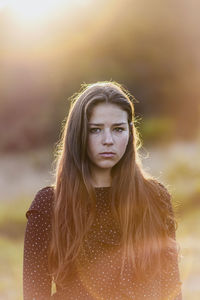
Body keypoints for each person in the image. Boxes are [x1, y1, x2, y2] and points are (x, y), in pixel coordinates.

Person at [23, 81, 182, 300]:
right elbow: (34, 296)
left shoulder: (156, 198)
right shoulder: (48, 204)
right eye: (95, 130)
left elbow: (172, 288)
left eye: (118, 129)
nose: (108, 140)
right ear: (78, 135)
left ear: (130, 132)